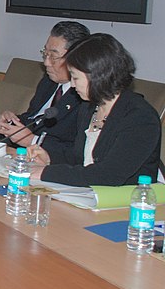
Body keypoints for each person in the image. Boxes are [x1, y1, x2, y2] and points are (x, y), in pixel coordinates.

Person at [30, 33, 161, 186]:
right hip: (89, 196)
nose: (72, 85)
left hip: (127, 203)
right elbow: (82, 158)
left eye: (76, 78)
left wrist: (45, 173)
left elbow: (108, 175)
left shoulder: (140, 117)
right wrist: (49, 157)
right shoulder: (89, 107)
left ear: (98, 76)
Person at [0, 21, 90, 154]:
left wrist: (32, 140)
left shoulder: (85, 97)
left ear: (76, 58)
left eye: (53, 56)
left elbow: (76, 151)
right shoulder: (49, 81)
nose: (46, 63)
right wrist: (12, 122)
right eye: (45, 53)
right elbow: (34, 118)